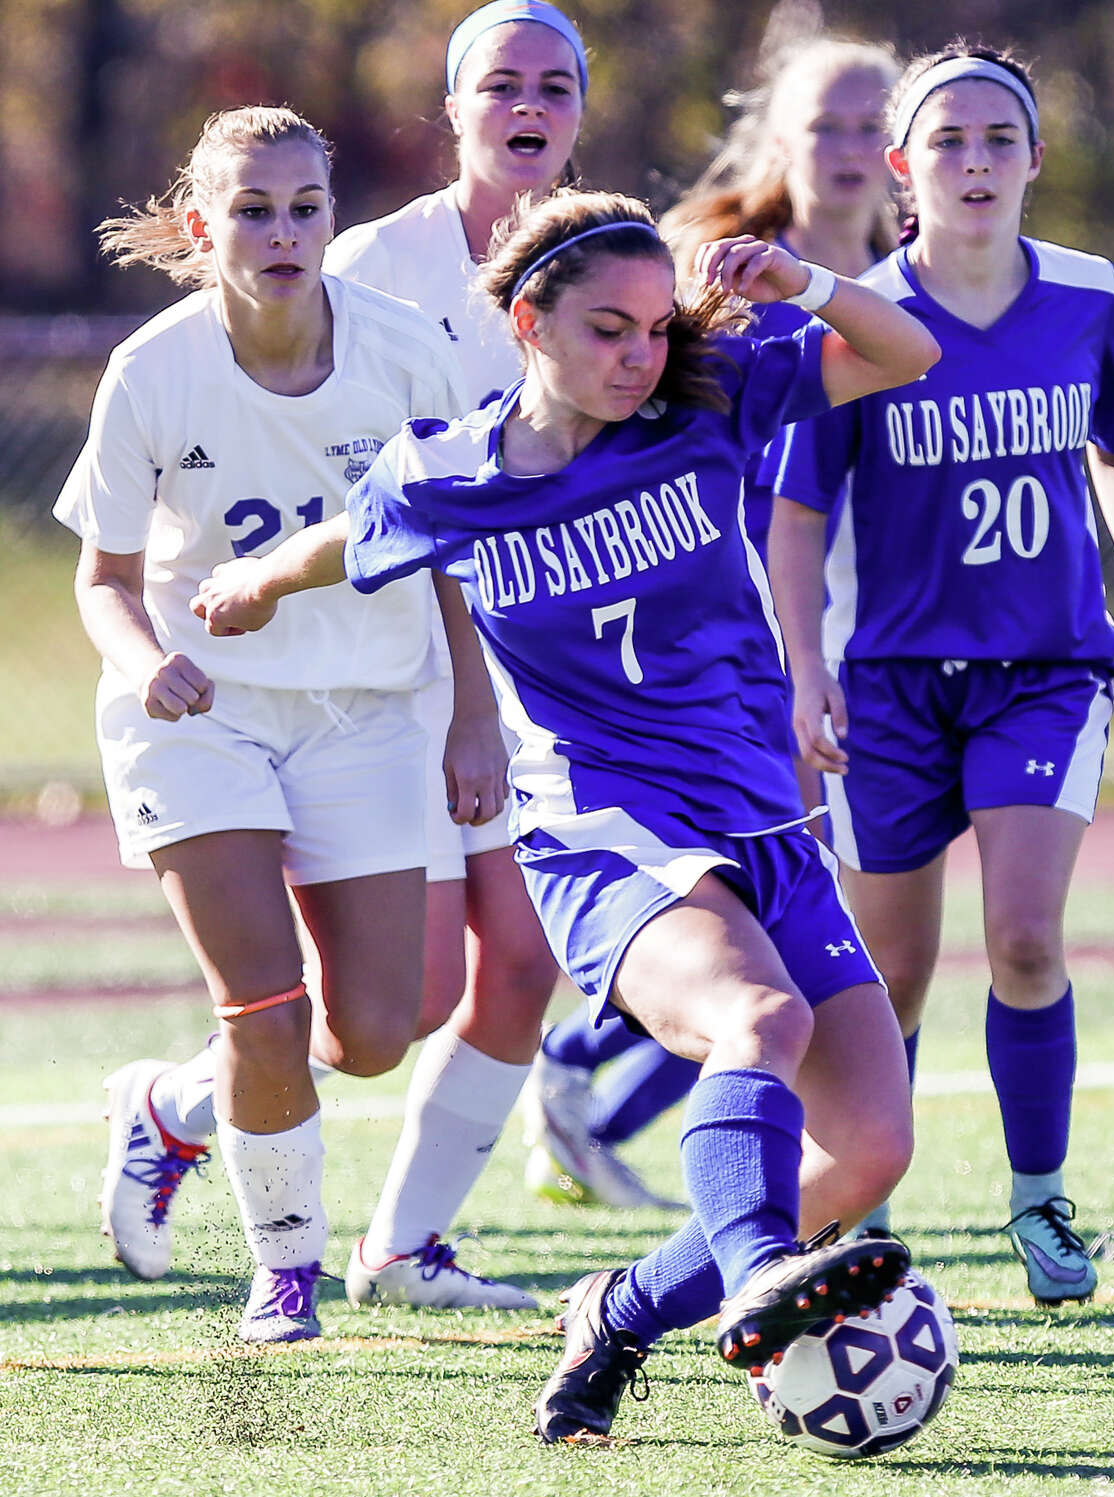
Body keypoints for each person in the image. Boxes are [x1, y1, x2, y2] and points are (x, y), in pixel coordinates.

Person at [190, 187, 940, 1441]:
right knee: (757, 1018)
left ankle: (622, 1315)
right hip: (604, 825)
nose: (639, 354)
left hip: (760, 814)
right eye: (608, 329)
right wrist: (255, 579)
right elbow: (345, 537)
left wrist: (801, 284)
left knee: (866, 1152)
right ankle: (759, 1273)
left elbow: (906, 351)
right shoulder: (450, 473)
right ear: (529, 321)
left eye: (654, 328)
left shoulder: (707, 402)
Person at [106, 0, 592, 1312]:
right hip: (399, 657)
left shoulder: (612, 257)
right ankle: (197, 1100)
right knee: (404, 998)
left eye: (555, 81)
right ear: (453, 109)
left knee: (531, 959)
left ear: (582, 111)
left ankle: (401, 1246)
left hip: (534, 653)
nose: (527, 103)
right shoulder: (369, 262)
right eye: (501, 82)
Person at [56, 105, 505, 1342]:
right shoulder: (153, 366)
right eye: (253, 210)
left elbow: (455, 539)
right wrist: (151, 663)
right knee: (263, 1003)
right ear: (205, 228)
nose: (284, 230)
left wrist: (474, 711)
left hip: (364, 708)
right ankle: (285, 1277)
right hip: (200, 717)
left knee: (375, 1030)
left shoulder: (406, 351)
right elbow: (102, 578)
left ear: (331, 217)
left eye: (306, 207)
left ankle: (171, 1109)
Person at [765, 44, 1114, 1305]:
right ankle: (866, 1214)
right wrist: (804, 669)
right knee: (886, 977)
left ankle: (1040, 1201)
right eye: (948, 140)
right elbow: (795, 512)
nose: (977, 161)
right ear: (902, 167)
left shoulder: (1088, 294)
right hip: (892, 682)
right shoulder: (861, 314)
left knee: (1024, 939)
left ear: (1037, 160)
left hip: (1046, 671)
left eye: (1001, 139)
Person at [522, 32, 900, 1210]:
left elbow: (907, 376)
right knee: (743, 951)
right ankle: (590, 1087)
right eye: (823, 125)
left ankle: (783, 1210)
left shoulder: (896, 266)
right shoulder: (711, 277)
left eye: (865, 125)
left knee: (811, 949)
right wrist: (803, 661)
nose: (847, 151)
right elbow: (776, 504)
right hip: (740, 651)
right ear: (776, 136)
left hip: (866, 622)